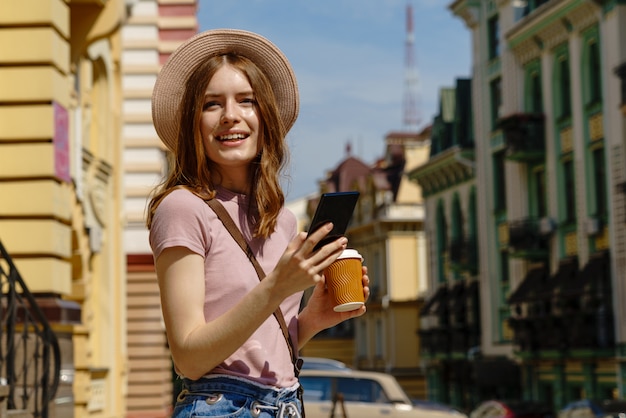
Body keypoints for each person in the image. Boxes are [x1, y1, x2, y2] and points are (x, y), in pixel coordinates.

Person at [146, 28, 369, 418]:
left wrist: (310, 322)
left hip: (285, 403)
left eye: (246, 101)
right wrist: (277, 288)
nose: (231, 115)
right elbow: (189, 358)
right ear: (193, 123)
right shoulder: (182, 208)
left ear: (264, 115)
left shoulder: (282, 220)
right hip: (219, 407)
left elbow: (259, 347)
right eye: (211, 104)